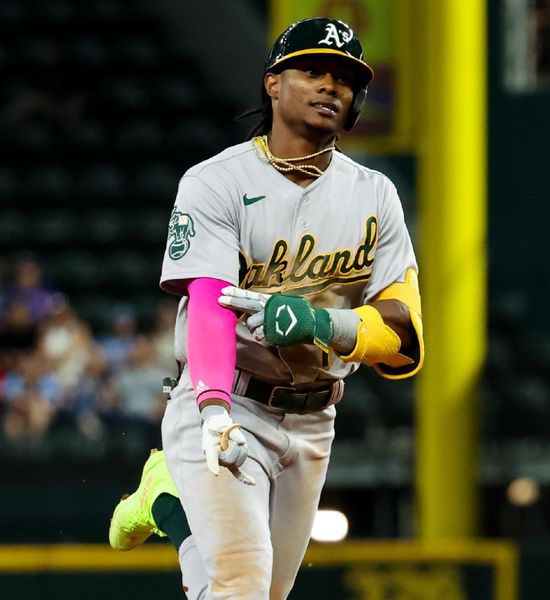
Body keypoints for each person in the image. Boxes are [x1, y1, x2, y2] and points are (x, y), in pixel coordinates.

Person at [108, 17, 425, 600]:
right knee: (242, 589)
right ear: (273, 83)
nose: (331, 85)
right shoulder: (216, 181)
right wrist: (210, 409)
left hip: (315, 416)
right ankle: (172, 486)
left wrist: (320, 322)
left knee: (261, 594)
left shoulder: (375, 195)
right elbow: (208, 301)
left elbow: (403, 334)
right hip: (232, 398)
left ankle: (165, 502)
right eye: (313, 71)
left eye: (345, 79)